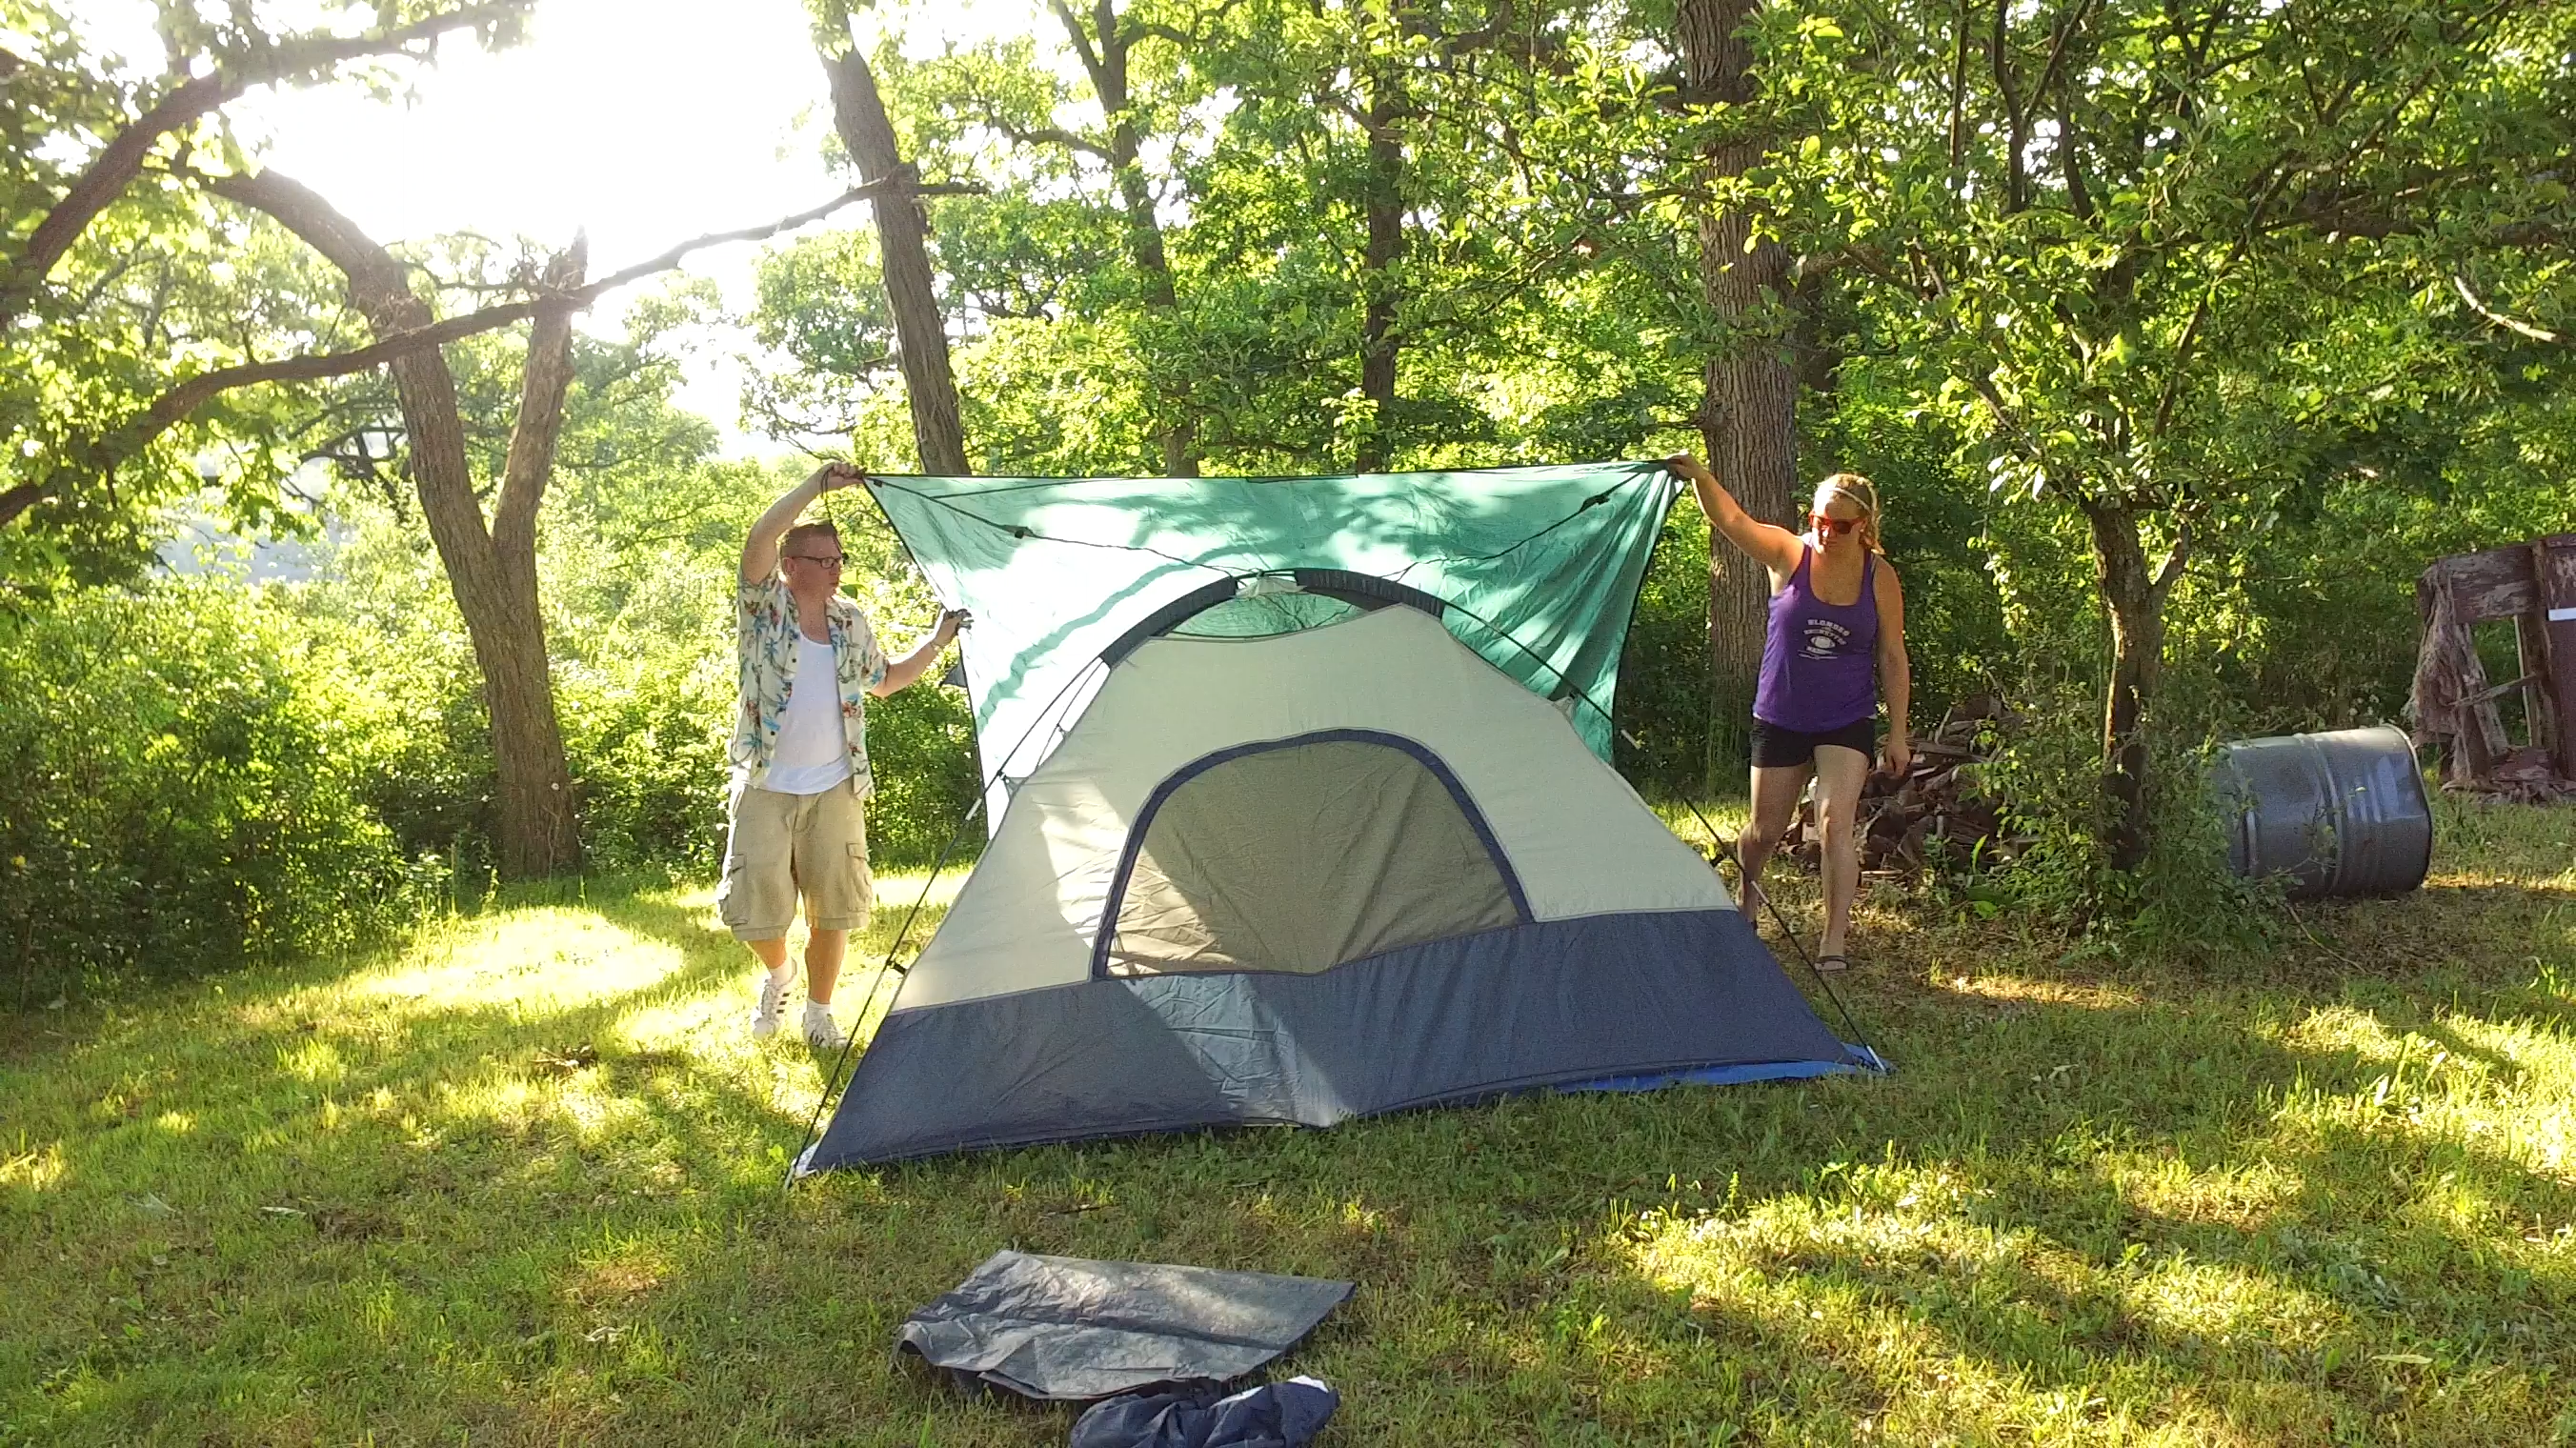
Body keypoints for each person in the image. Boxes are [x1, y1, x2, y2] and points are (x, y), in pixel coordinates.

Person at [725, 461, 967, 1047]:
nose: (835, 571)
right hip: (765, 782)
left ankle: (818, 1012)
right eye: (822, 561)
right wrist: (815, 486)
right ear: (791, 566)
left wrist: (936, 642)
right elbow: (759, 537)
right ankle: (779, 976)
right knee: (753, 905)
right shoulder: (764, 608)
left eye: (839, 561)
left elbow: (884, 681)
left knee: (834, 909)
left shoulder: (849, 620)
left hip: (836, 784)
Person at [1668, 456, 1911, 970]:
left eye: (1839, 525)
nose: (1826, 532)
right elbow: (1733, 522)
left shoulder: (1879, 575)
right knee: (1764, 831)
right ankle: (1747, 895)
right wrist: (1702, 478)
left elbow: (1891, 654)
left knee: (1834, 821)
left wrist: (1898, 732)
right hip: (1781, 714)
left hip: (1847, 716)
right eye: (1819, 520)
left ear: (1863, 526)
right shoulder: (1787, 553)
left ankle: (1833, 941)